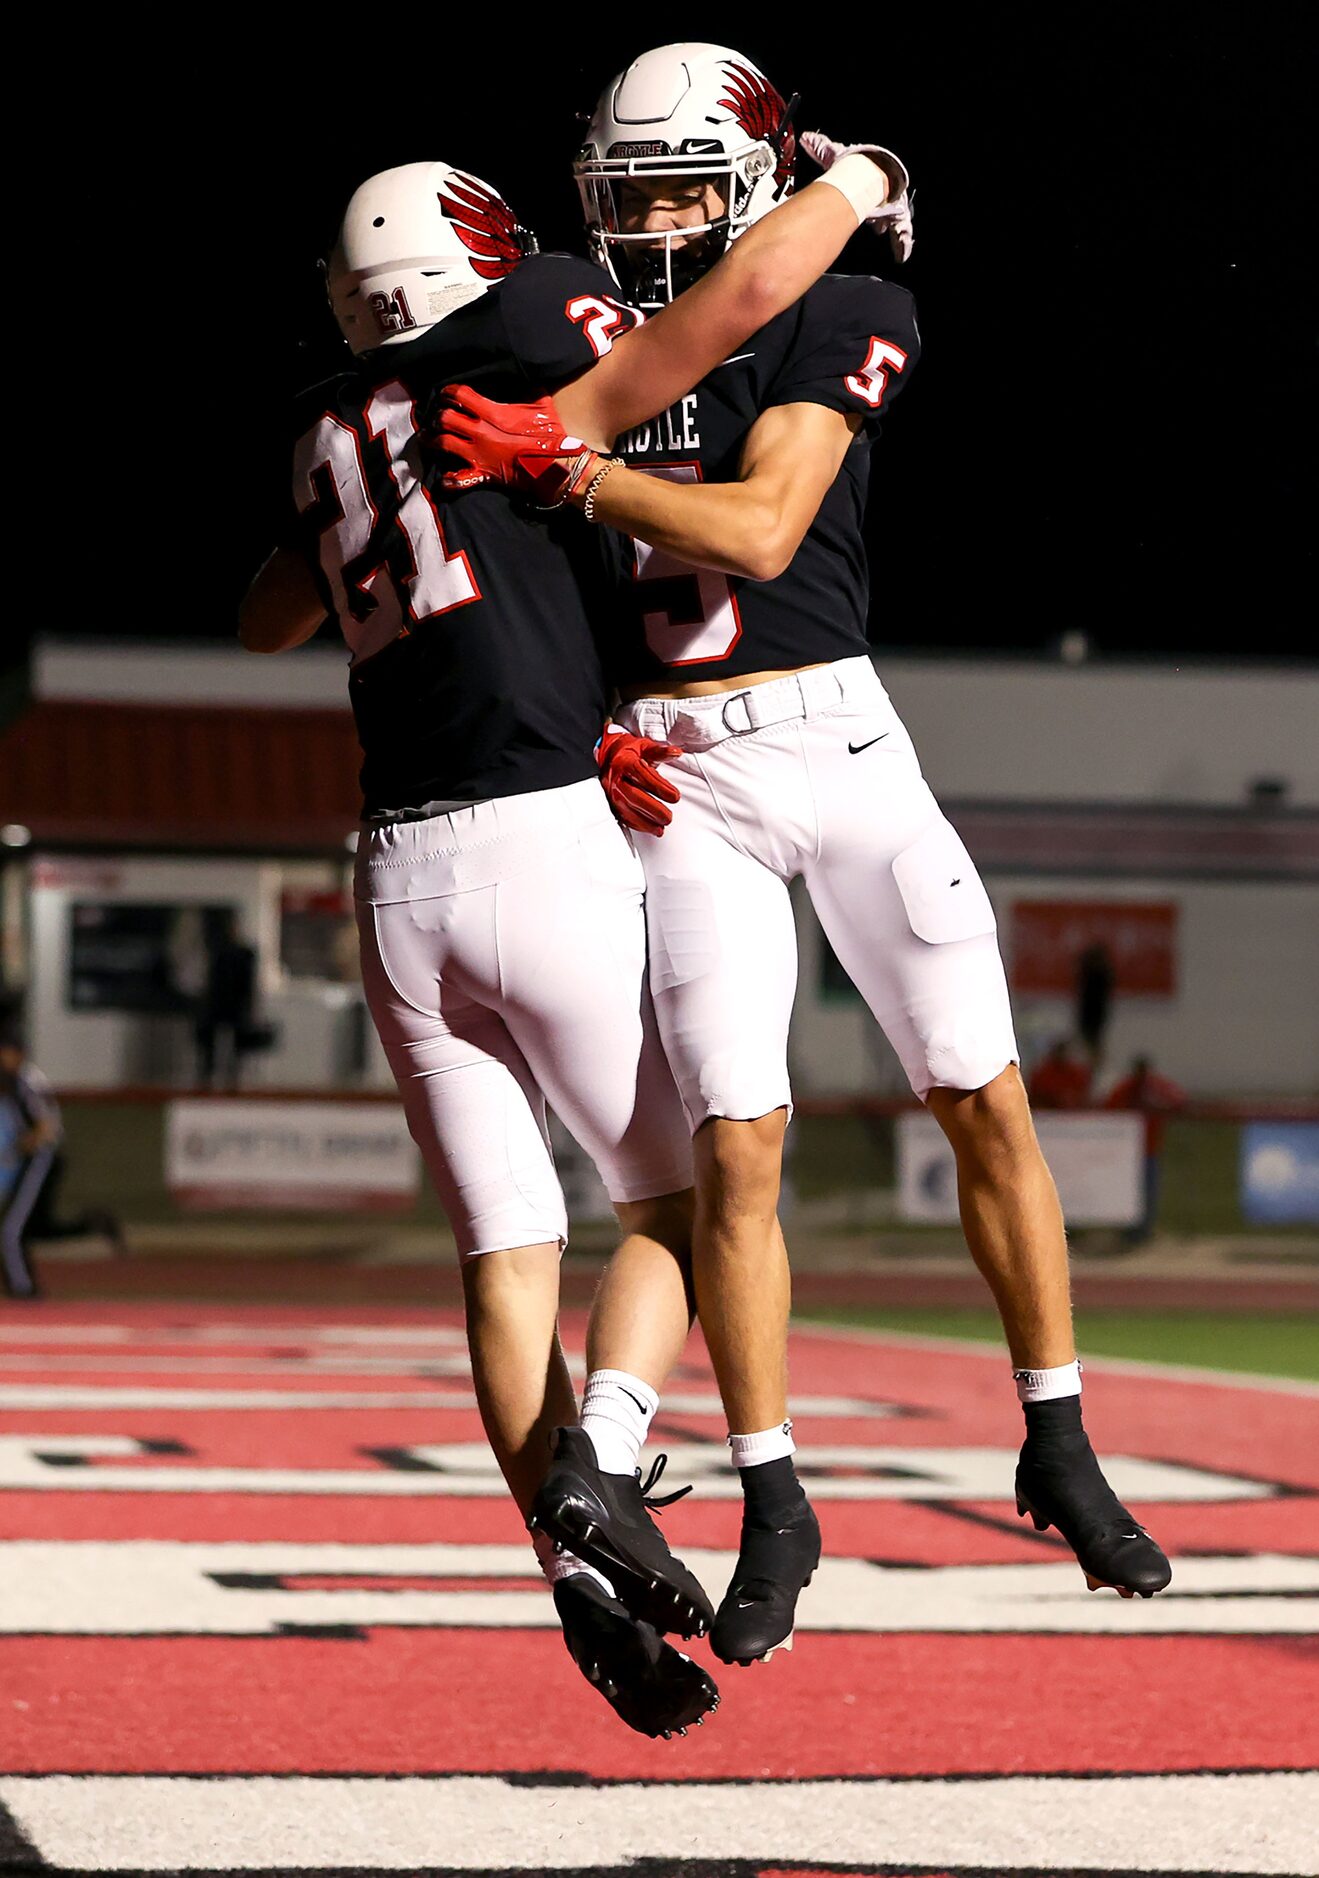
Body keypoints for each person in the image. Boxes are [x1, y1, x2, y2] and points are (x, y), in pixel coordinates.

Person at [438, 40, 1172, 1659]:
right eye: (629, 198)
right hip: (679, 783)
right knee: (735, 1152)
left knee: (978, 1092)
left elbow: (762, 525)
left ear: (761, 175)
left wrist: (572, 462)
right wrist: (581, 723)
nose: (657, 225)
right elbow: (543, 586)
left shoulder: (842, 302)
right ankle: (774, 1488)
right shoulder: (600, 334)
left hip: (835, 743)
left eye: (687, 186)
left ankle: (1053, 1432)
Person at [240, 141, 906, 1735]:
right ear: (481, 259)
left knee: (501, 1261)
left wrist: (368, 519)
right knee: (674, 1207)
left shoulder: (332, 423)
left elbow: (266, 614)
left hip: (393, 876)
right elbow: (730, 303)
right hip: (541, 836)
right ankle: (603, 1461)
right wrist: (856, 181)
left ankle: (573, 1585)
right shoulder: (535, 326)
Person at [1, 1012, 122, 1299]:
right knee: (34, 1227)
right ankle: (91, 1224)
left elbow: (46, 1128)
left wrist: (17, 1150)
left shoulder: (28, 1081)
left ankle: (23, 1289)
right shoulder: (13, 1080)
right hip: (36, 1159)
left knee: (10, 1229)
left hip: (41, 1159)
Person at [1104, 1054, 1186, 1243]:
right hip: (1126, 1152)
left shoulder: (1156, 1087)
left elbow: (1179, 1101)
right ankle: (1129, 1229)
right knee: (1127, 1192)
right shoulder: (1125, 1088)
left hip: (1149, 1150)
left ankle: (1145, 1230)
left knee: (1148, 1192)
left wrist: (1159, 1106)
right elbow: (1108, 1109)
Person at [194, 910, 259, 1089]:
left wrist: (250, 1008)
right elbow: (211, 981)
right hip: (218, 1004)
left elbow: (248, 985)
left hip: (236, 1005)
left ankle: (233, 1079)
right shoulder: (218, 951)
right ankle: (207, 1077)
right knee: (210, 1045)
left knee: (237, 1047)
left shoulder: (245, 954)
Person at [1075, 940, 1116, 1074]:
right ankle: (1093, 1063)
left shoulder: (1097, 974)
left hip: (1094, 1012)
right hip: (1092, 1012)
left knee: (1092, 1040)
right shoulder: (1096, 973)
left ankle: (1094, 1063)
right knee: (1091, 1041)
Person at [1027, 1037, 1093, 1111]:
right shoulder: (1042, 1073)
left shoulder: (1076, 1073)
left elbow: (1083, 1097)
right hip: (1046, 1113)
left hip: (1073, 1114)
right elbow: (1035, 1097)